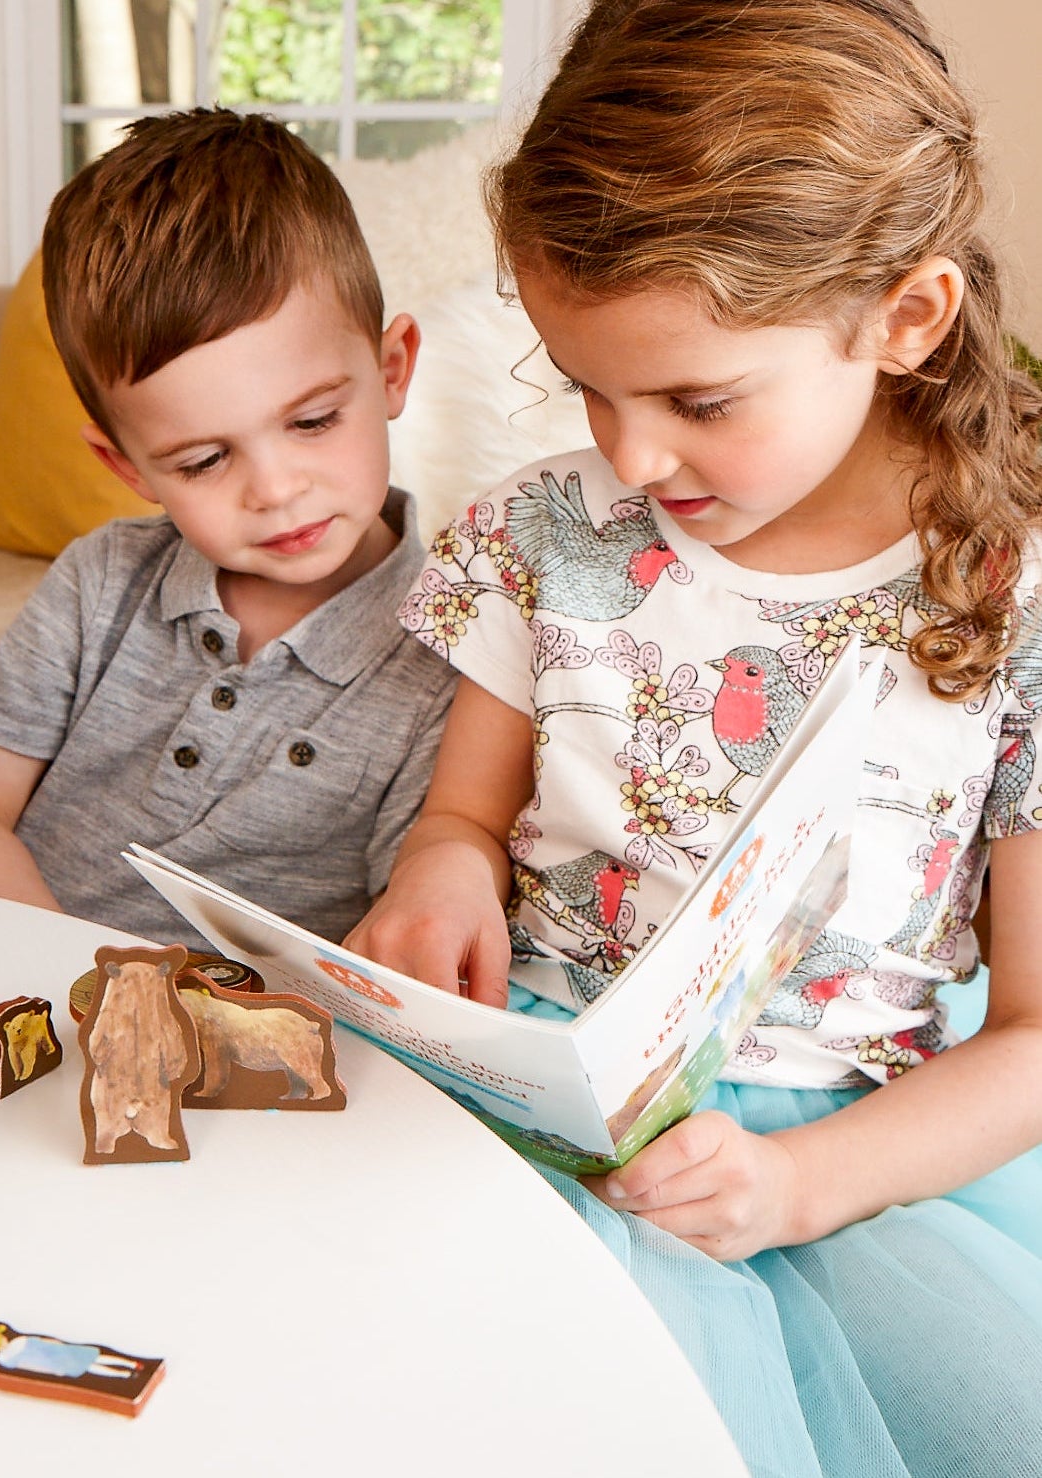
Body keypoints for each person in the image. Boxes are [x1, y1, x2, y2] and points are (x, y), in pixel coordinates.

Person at [344, 3, 1042, 1474]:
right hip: (543, 1096)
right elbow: (461, 821)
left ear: (901, 320)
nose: (629, 457)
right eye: (585, 387)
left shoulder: (1009, 590)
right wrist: (445, 875)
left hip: (852, 1157)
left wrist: (791, 1186)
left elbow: (1037, 1040)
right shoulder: (550, 531)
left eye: (695, 399)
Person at [0, 109, 456, 948]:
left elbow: (392, 946)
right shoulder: (102, 579)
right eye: (203, 461)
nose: (275, 490)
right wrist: (76, 983)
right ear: (129, 469)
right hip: (19, 979)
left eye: (313, 421)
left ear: (391, 370)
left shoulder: (450, 651)